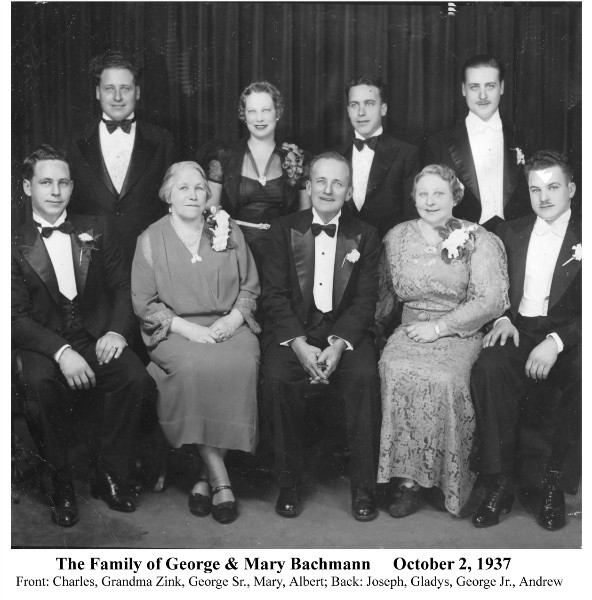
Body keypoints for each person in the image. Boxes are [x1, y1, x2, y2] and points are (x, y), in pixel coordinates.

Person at [12, 145, 155, 527]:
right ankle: (60, 482)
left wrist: (115, 332)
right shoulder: (11, 242)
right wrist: (60, 351)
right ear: (28, 187)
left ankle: (108, 472)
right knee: (41, 385)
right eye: (45, 182)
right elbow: (13, 318)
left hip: (94, 336)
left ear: (72, 187)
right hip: (44, 343)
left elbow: (124, 288)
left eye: (62, 182)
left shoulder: (98, 228)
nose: (55, 191)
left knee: (134, 378)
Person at [375, 164, 509, 518]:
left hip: (459, 332)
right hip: (409, 329)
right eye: (423, 194)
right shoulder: (397, 237)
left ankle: (444, 480)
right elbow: (384, 297)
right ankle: (406, 483)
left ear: (455, 197)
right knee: (395, 366)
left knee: (446, 378)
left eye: (439, 193)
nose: (430, 201)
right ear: (413, 198)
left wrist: (440, 328)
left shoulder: (477, 238)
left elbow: (488, 300)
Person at [131, 161, 261, 524]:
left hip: (228, 325)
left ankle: (204, 477)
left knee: (241, 362)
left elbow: (249, 286)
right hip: (176, 331)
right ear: (168, 195)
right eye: (183, 187)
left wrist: (232, 320)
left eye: (199, 188)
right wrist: (190, 331)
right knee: (193, 366)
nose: (192, 194)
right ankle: (220, 478)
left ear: (208, 195)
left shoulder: (227, 228)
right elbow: (144, 302)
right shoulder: (150, 239)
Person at [261, 152, 382, 521]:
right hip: (294, 332)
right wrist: (298, 343)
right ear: (309, 186)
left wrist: (339, 343)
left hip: (343, 333)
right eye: (321, 181)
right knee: (278, 377)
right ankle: (289, 483)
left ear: (349, 191)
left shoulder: (366, 234)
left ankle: (363, 487)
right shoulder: (283, 229)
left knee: (364, 376)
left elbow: (365, 301)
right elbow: (274, 296)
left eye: (338, 183)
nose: (328, 190)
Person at [470, 150, 581, 531]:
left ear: (571, 188)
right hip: (520, 327)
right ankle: (499, 481)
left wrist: (556, 342)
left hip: (570, 334)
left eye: (553, 187)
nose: (544, 197)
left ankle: (552, 483)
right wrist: (502, 317)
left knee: (584, 377)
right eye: (535, 189)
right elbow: (493, 287)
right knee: (490, 366)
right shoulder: (510, 231)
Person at [67, 50, 176, 268]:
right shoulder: (74, 142)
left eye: (125, 88)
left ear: (137, 92)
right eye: (109, 89)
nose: (117, 97)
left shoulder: (163, 141)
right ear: (98, 92)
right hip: (91, 262)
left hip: (148, 260)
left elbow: (171, 207)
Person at [198, 81, 310, 274]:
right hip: (235, 254)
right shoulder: (223, 158)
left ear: (278, 112)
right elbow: (210, 214)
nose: (259, 118)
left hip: (282, 255)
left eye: (266, 110)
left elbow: (305, 217)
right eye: (252, 111)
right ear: (244, 115)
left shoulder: (296, 158)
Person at [425, 54, 531, 232]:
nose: (483, 95)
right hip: (460, 242)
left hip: (516, 240)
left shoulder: (524, 139)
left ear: (502, 87)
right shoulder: (438, 143)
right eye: (474, 87)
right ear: (464, 89)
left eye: (490, 86)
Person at [340, 75, 420, 237]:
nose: (361, 112)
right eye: (355, 105)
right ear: (348, 110)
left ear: (383, 109)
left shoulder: (406, 154)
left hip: (389, 252)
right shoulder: (336, 155)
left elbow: (412, 217)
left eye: (369, 104)